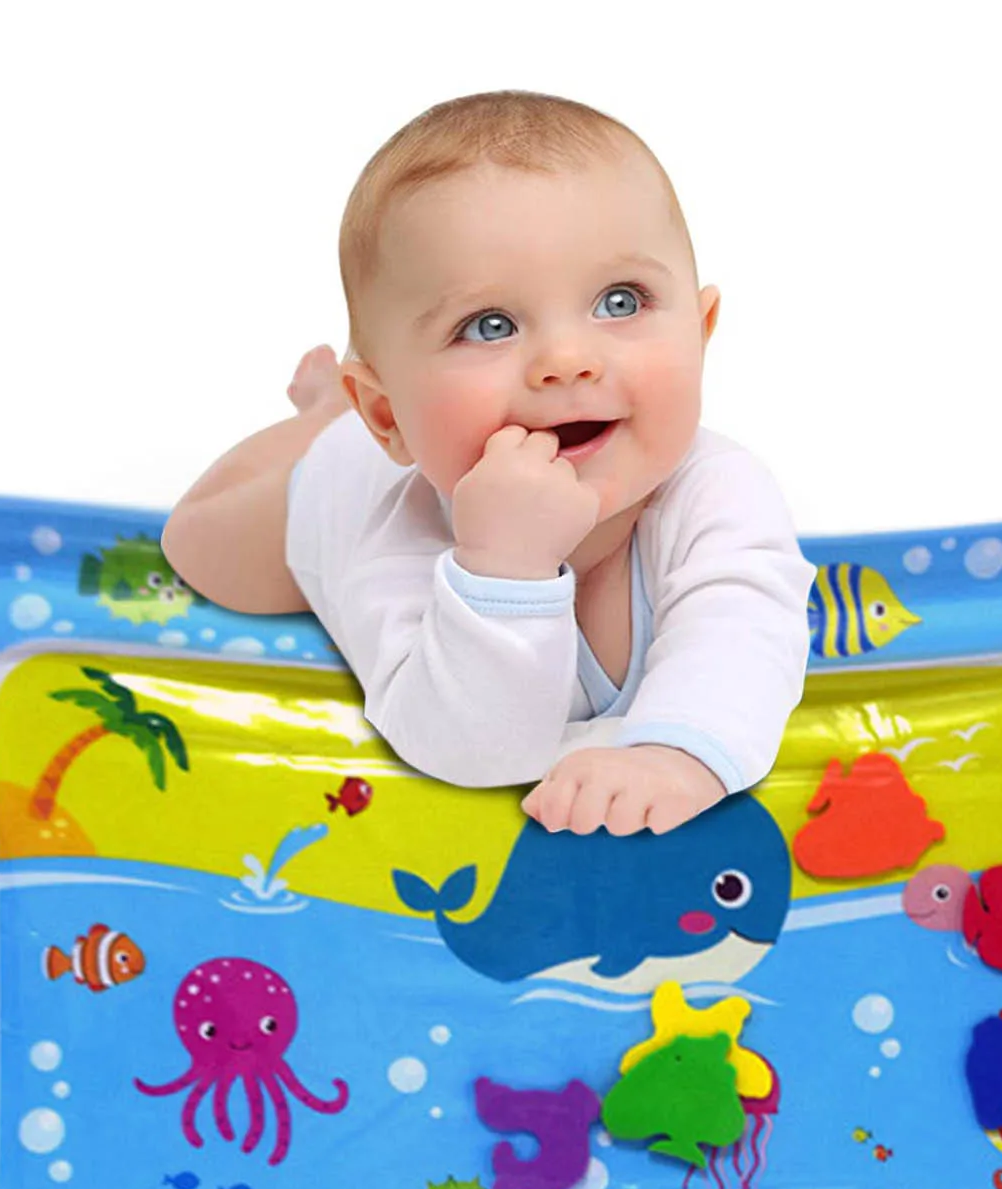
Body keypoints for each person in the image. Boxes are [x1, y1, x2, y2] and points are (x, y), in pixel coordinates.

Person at [162, 90, 814, 836]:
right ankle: (323, 415)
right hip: (332, 484)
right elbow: (471, 751)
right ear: (388, 414)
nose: (566, 359)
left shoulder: (719, 491)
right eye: (490, 325)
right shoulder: (402, 535)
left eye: (620, 301)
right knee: (198, 546)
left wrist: (676, 753)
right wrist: (503, 573)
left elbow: (747, 636)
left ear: (701, 332)